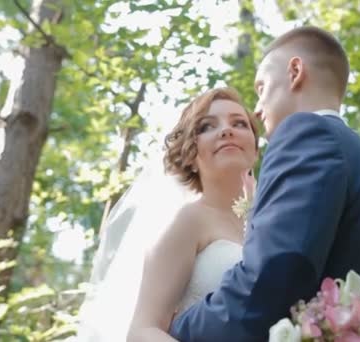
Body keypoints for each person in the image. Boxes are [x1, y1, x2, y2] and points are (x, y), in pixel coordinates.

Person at [169, 26, 360, 341]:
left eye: (261, 88)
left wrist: (180, 326)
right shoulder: (359, 154)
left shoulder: (306, 133)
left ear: (295, 71)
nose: (256, 109)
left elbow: (273, 276)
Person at [74, 87, 259, 341]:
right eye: (207, 127)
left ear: (256, 149)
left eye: (239, 123)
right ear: (191, 156)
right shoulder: (189, 220)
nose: (227, 130)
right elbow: (142, 330)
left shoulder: (270, 221)